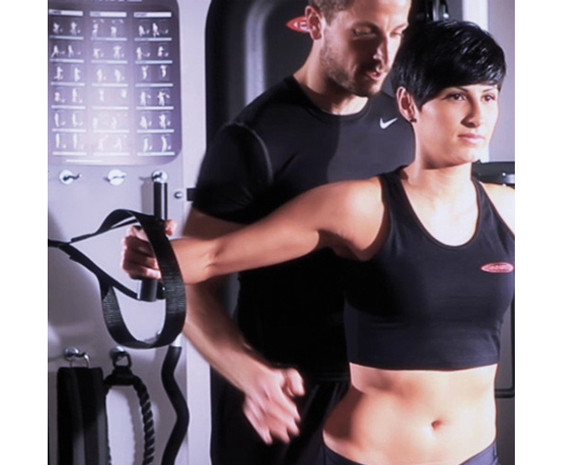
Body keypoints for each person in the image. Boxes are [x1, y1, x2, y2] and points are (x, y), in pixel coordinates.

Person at [123, 20, 514, 465]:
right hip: (368, 454)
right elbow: (213, 256)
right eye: (456, 96)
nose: (476, 116)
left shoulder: (511, 209)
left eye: (488, 97)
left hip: (476, 453)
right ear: (409, 104)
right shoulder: (357, 206)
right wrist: (152, 252)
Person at [161, 1, 413, 464]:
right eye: (364, 33)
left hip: (378, 399)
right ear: (315, 23)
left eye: (396, 33)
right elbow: (189, 288)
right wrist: (249, 374)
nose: (383, 54)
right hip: (284, 401)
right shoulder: (253, 139)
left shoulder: (405, 127)